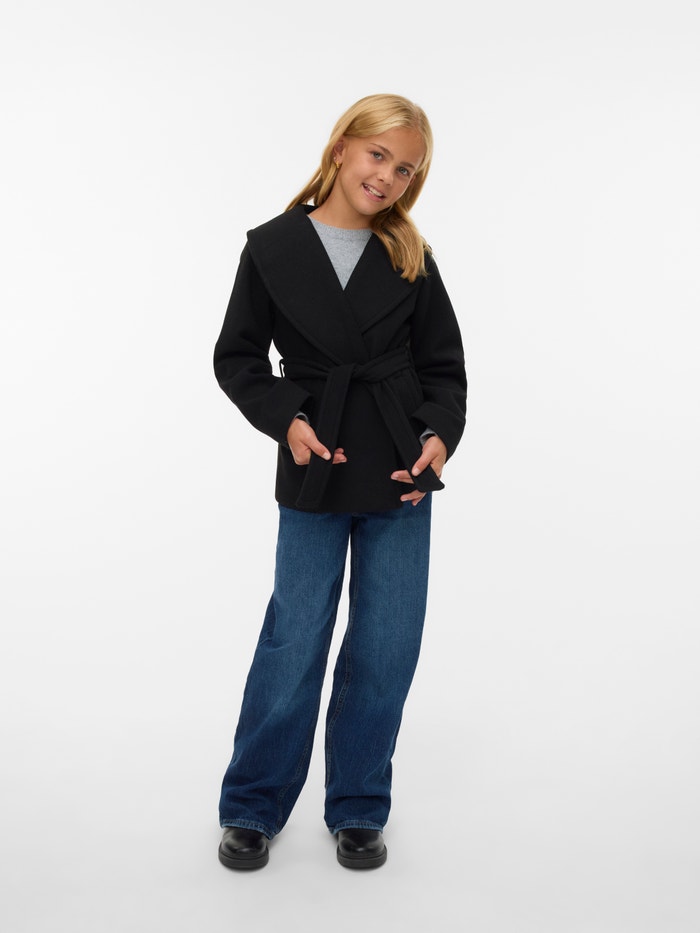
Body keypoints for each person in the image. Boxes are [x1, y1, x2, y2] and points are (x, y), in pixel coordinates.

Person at [213, 93, 467, 871]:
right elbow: (238, 358)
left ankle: (358, 803)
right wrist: (287, 418)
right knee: (295, 635)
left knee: (386, 643)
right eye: (378, 155)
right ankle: (252, 803)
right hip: (314, 461)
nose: (387, 176)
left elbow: (444, 370)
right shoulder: (272, 248)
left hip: (398, 469)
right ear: (341, 148)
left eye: (406, 168)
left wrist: (436, 437)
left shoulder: (411, 255)